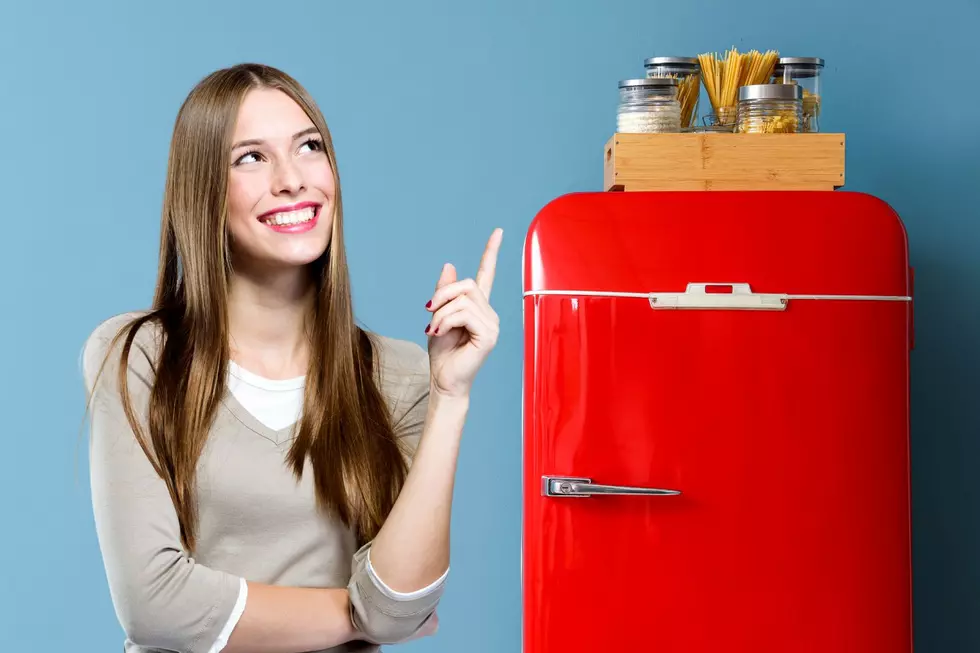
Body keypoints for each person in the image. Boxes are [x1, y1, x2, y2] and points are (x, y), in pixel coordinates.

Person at [81, 62, 502, 653]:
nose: (292, 180)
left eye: (309, 147)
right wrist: (359, 614)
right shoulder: (139, 356)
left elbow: (405, 600)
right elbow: (154, 603)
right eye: (250, 157)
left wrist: (451, 398)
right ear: (203, 190)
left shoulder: (401, 375)